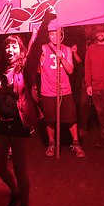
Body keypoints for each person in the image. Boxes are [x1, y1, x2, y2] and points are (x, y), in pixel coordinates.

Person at [0, 8, 54, 206]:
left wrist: (45, 22)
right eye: (7, 46)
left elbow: (36, 45)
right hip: (0, 125)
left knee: (20, 167)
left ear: (19, 50)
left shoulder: (25, 70)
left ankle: (25, 205)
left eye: (14, 45)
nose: (10, 49)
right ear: (4, 50)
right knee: (0, 166)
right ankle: (15, 192)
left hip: (19, 125)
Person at [40, 26, 85, 158]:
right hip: (48, 90)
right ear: (48, 35)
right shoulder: (43, 48)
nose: (54, 36)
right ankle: (52, 144)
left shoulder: (67, 49)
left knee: (71, 118)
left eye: (57, 34)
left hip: (65, 90)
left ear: (62, 35)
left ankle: (76, 144)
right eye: (52, 34)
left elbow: (70, 70)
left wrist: (62, 58)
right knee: (50, 119)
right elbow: (31, 52)